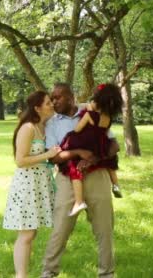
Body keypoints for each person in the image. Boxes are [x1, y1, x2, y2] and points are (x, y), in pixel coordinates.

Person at [41, 82, 119, 278]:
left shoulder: (91, 111)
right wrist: (78, 153)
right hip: (67, 178)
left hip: (98, 176)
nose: (54, 101)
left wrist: (95, 158)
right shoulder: (52, 124)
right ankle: (48, 272)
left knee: (104, 229)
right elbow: (52, 157)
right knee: (60, 228)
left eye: (58, 97)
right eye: (52, 98)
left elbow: (114, 144)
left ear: (70, 97)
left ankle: (107, 273)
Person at [3, 91, 61, 278]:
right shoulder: (28, 128)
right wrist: (48, 155)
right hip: (27, 185)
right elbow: (20, 161)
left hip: (40, 184)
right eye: (47, 103)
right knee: (26, 234)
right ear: (37, 108)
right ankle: (21, 276)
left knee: (31, 233)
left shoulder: (44, 127)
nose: (51, 105)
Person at [60, 83, 124, 216]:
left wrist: (87, 112)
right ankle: (116, 185)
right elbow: (106, 134)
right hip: (101, 144)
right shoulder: (108, 118)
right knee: (111, 164)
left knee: (74, 167)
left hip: (87, 142)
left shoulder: (90, 114)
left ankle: (79, 201)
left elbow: (78, 129)